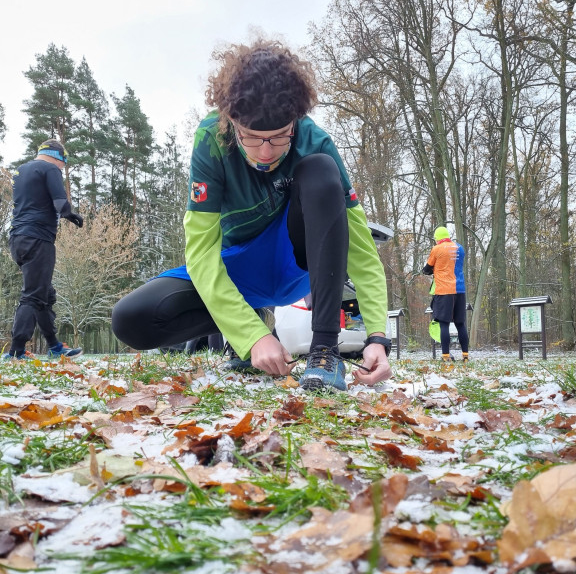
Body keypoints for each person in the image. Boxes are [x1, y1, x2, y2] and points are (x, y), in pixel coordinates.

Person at [112, 39, 392, 391]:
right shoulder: (210, 140)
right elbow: (201, 254)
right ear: (232, 123)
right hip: (241, 267)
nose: (264, 153)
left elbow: (362, 250)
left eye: (278, 138)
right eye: (251, 137)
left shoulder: (313, 140)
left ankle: (325, 352)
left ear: (295, 121)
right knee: (131, 320)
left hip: (298, 262)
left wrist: (378, 337)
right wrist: (251, 334)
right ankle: (255, 317)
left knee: (321, 170)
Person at [3, 139, 84, 360]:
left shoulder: (21, 170)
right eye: (64, 165)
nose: (62, 170)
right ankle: (16, 352)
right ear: (60, 157)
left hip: (17, 239)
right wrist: (72, 215)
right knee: (33, 295)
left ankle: (55, 347)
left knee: (44, 294)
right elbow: (60, 203)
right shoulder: (50, 168)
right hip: (38, 238)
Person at [422, 226, 469, 362]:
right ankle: (465, 355)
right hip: (460, 290)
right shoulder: (460, 248)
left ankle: (446, 356)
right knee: (461, 324)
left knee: (444, 324)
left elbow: (427, 269)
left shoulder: (437, 249)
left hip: (444, 291)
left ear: (437, 238)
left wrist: (434, 270)